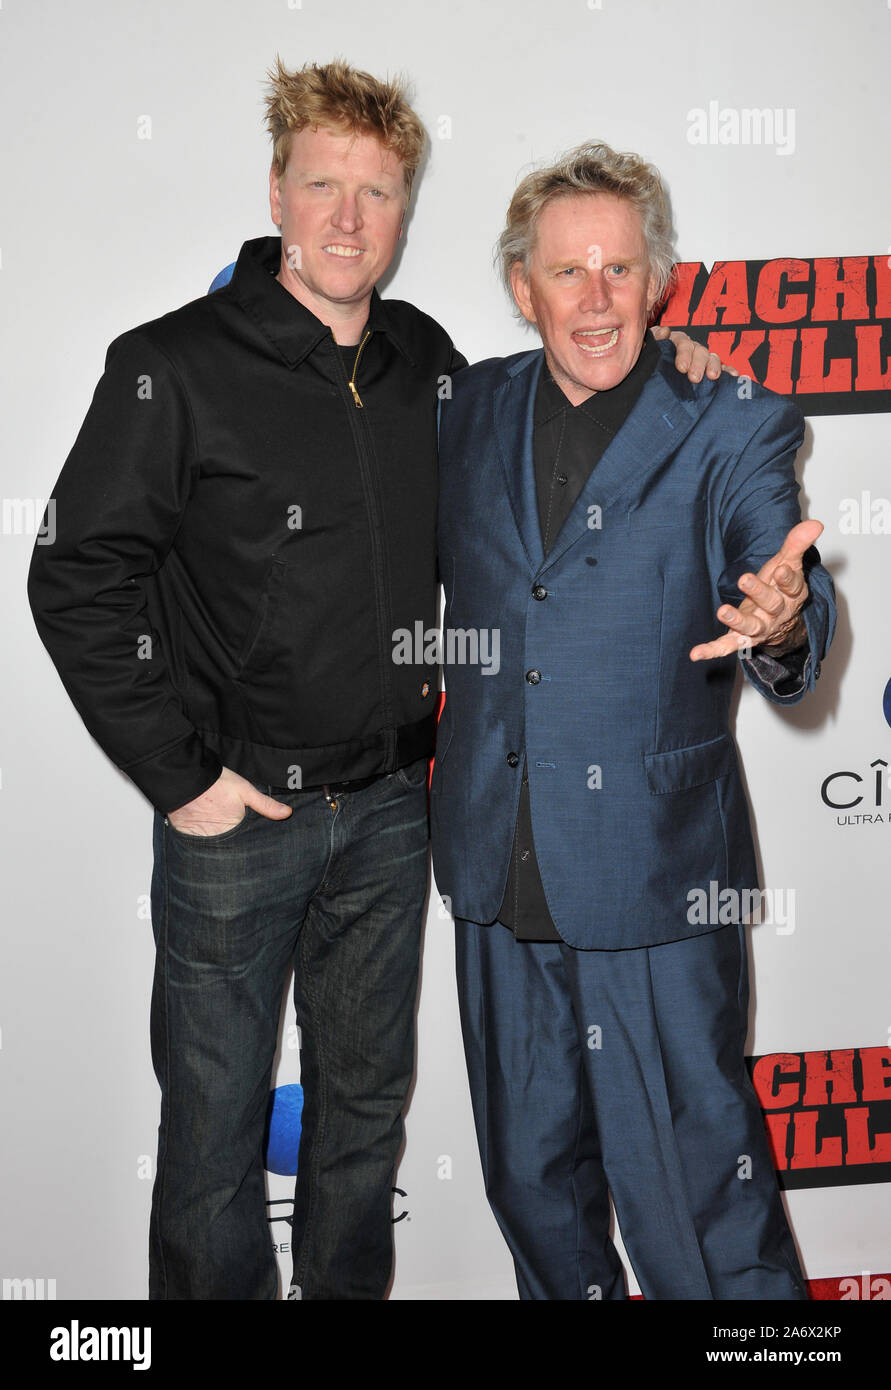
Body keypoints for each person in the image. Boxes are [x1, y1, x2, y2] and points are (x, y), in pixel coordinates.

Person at [27, 61, 722, 1302]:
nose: (349, 220)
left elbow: (559, 417)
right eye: (323, 187)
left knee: (361, 1129)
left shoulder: (431, 365)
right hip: (237, 824)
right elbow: (76, 574)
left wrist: (674, 364)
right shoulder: (171, 366)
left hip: (397, 814)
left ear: (406, 208)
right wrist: (183, 778)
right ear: (277, 194)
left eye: (379, 192)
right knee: (210, 1141)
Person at [430, 140, 836, 1300]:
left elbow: (782, 570)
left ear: (662, 282)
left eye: (621, 270)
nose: (596, 299)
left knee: (702, 1207)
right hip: (497, 871)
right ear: (523, 286)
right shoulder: (466, 406)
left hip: (654, 883)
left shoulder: (734, 419)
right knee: (532, 1192)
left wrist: (779, 619)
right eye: (568, 273)